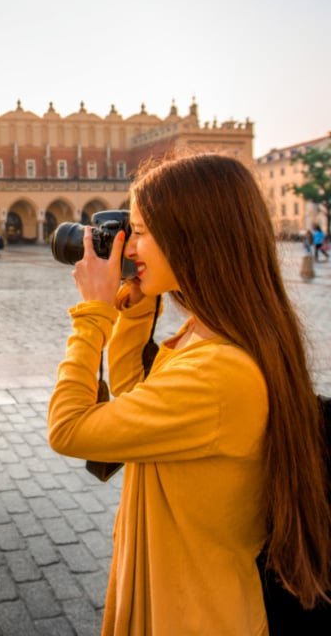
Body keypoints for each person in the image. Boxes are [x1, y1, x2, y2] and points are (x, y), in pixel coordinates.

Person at [48, 153, 330, 635]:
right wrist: (134, 310)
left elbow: (69, 429)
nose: (127, 246)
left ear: (192, 237)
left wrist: (94, 313)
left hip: (195, 616)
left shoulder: (219, 371)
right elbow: (138, 396)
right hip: (174, 597)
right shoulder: (208, 334)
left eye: (139, 230)